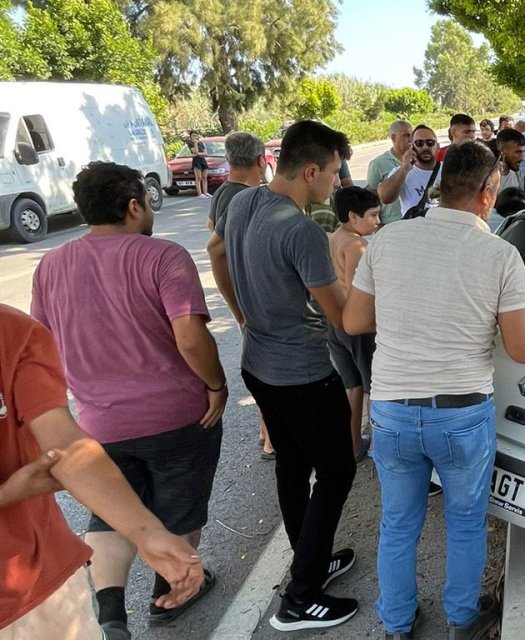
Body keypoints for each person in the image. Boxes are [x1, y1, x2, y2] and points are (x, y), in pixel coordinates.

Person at [342, 141, 525, 640]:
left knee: (398, 524)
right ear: (489, 192)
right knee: (467, 523)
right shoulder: (500, 255)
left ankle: (396, 625)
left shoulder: (387, 241)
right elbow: (521, 350)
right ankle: (461, 621)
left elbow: (354, 319)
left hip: (391, 410)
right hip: (461, 413)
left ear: (440, 182)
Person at [29, 161, 224, 637]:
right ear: (134, 205)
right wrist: (216, 387)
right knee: (178, 509)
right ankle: (173, 590)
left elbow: (43, 344)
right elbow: (191, 338)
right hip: (179, 417)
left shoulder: (50, 266)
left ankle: (112, 614)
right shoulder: (162, 257)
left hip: (99, 423)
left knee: (111, 512)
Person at [208, 120, 359, 631]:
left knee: (292, 467)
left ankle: (307, 561)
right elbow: (343, 317)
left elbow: (216, 254)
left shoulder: (242, 201)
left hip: (259, 366)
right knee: (338, 471)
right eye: (334, 174)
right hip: (302, 374)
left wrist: (241, 314)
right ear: (311, 170)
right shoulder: (301, 230)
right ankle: (300, 598)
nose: (337, 184)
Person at [0, 305, 206, 640]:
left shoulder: (13, 331)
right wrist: (8, 493)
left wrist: (147, 532)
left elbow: (65, 445)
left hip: (39, 587)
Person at [205, 132, 276, 459]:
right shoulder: (245, 199)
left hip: (242, 295)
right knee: (267, 370)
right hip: (250, 299)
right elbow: (216, 248)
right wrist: (238, 310)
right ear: (261, 160)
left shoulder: (222, 193)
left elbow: (211, 227)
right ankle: (271, 439)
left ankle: (266, 431)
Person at [328, 187, 381, 461]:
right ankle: (375, 445)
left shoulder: (335, 237)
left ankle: (352, 444)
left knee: (352, 385)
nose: (377, 221)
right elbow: (356, 292)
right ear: (353, 216)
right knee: (375, 386)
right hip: (356, 327)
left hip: (334, 322)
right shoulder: (357, 246)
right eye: (372, 215)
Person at [377, 125, 441, 215]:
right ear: (412, 147)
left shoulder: (450, 169)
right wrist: (404, 169)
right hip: (414, 227)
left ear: (438, 147)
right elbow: (385, 198)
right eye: (419, 143)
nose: (425, 147)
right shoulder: (402, 171)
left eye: (430, 143)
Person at [366, 120, 413, 224]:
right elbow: (370, 195)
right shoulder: (379, 163)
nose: (410, 140)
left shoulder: (417, 160)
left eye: (412, 135)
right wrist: (376, 222)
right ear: (394, 138)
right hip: (391, 221)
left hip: (414, 219)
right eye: (406, 136)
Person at [495, 128, 525, 192]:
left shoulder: (518, 174)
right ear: (502, 152)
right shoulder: (488, 177)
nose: (522, 158)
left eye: (523, 152)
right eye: (517, 152)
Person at [187, 131, 211, 199]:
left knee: (204, 177)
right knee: (198, 178)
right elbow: (196, 151)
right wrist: (195, 144)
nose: (195, 137)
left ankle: (206, 192)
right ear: (190, 136)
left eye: (196, 135)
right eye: (193, 136)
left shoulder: (201, 143)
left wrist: (198, 154)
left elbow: (206, 153)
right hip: (196, 161)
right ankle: (200, 193)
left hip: (203, 160)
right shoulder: (190, 143)